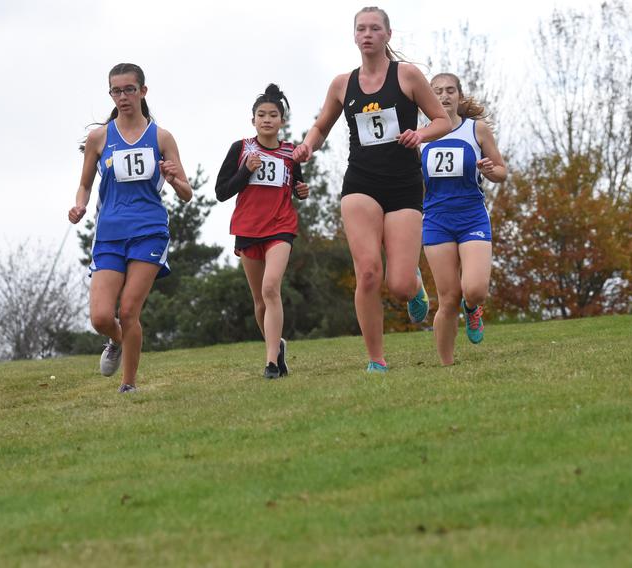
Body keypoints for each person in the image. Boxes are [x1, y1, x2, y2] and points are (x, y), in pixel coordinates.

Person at [292, 6, 451, 373]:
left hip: (404, 185)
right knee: (367, 272)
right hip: (361, 183)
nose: (367, 34)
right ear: (354, 36)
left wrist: (420, 134)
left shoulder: (408, 76)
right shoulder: (341, 84)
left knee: (397, 284)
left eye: (374, 29)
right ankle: (376, 359)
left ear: (387, 36)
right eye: (361, 29)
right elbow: (320, 128)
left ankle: (413, 283)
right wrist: (307, 146)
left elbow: (441, 120)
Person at [68, 63, 193, 393]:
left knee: (128, 309)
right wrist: (79, 205)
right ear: (110, 94)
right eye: (116, 91)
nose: (122, 96)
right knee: (100, 318)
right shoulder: (100, 138)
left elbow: (187, 193)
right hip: (109, 234)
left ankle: (129, 384)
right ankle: (116, 341)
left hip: (149, 232)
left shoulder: (161, 137)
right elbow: (84, 185)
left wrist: (173, 178)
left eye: (129, 90)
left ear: (142, 91)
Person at [214, 84, 310, 379]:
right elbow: (221, 192)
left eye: (273, 115)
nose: (267, 119)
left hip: (281, 226)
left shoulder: (291, 152)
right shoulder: (241, 149)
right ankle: (276, 345)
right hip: (247, 228)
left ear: (282, 120)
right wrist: (246, 171)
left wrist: (301, 190)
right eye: (261, 115)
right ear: (253, 120)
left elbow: (295, 186)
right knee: (259, 301)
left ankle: (270, 363)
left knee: (271, 288)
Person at [420, 73, 507, 365]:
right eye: (437, 92)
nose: (444, 96)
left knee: (474, 290)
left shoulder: (476, 130)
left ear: (459, 95)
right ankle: (446, 365)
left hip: (471, 217)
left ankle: (473, 309)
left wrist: (489, 170)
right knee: (447, 298)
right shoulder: (420, 136)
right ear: (428, 98)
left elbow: (502, 172)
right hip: (436, 220)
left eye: (450, 91)